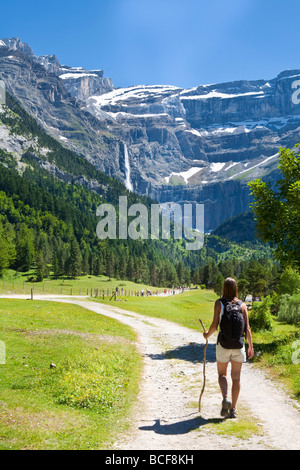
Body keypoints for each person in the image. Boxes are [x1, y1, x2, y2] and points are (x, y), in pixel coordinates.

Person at [203, 277, 254, 419]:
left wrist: (207, 335)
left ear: (224, 288)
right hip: (238, 345)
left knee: (222, 375)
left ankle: (226, 398)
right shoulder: (243, 305)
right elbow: (247, 329)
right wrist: (250, 347)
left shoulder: (219, 303)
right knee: (236, 378)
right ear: (236, 288)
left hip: (223, 345)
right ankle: (234, 409)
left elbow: (214, 325)